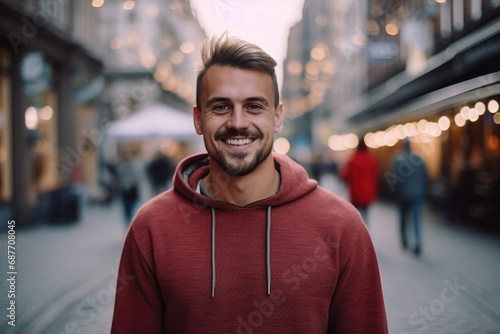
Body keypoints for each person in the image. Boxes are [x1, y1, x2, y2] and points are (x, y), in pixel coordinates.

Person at [111, 34, 388, 334]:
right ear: (197, 119)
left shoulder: (343, 228)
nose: (238, 122)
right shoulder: (151, 228)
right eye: (220, 107)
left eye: (254, 106)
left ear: (278, 118)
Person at [390, 138, 428, 256]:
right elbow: (425, 177)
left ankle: (404, 239)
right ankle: (417, 242)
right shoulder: (419, 159)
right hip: (417, 194)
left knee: (403, 218)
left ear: (403, 146)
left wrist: (396, 191)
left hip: (403, 194)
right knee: (416, 218)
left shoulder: (398, 159)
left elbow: (395, 178)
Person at [339, 138, 378, 224]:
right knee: (366, 213)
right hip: (368, 192)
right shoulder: (372, 159)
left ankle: (359, 231)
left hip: (356, 193)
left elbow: (345, 174)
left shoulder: (353, 159)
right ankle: (366, 229)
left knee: (357, 215)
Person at [115, 149, 140, 226]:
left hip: (132, 192)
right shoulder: (121, 167)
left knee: (130, 210)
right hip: (126, 192)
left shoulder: (134, 167)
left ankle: (129, 224)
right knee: (127, 210)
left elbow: (137, 179)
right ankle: (129, 224)